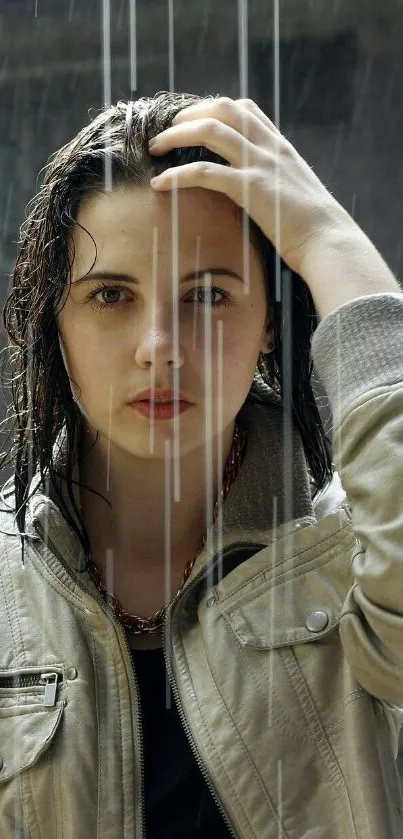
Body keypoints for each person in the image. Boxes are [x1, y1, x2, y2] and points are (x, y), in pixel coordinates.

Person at [0, 91, 402, 839]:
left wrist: (326, 240)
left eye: (208, 294)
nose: (160, 345)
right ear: (52, 318)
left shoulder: (357, 556)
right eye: (111, 294)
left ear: (270, 321)